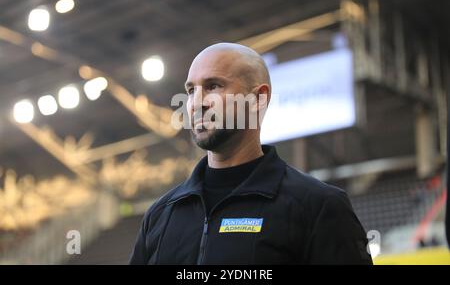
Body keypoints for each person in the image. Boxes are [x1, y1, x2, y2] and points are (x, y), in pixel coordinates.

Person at [129, 43, 373, 264]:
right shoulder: (160, 214)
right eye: (191, 90)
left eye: (213, 86)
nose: (195, 103)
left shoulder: (318, 206)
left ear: (258, 98)